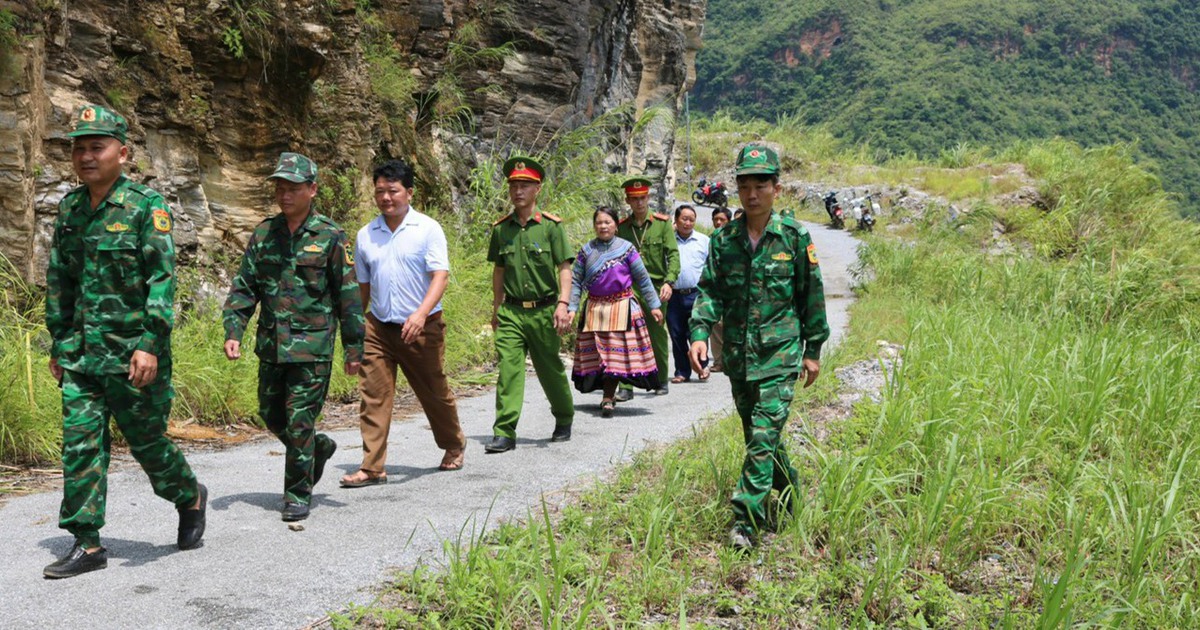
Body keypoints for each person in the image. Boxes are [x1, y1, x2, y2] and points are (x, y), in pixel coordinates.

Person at [43, 105, 206, 579]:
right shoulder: (71, 208)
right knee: (80, 445)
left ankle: (189, 494)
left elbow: (162, 279)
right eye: (79, 147)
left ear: (123, 153)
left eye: (97, 147)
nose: (86, 156)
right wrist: (59, 342)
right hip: (81, 354)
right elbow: (60, 280)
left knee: (147, 443)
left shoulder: (145, 207)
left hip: (134, 351)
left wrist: (151, 342)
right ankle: (87, 542)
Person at [688, 144, 830, 550]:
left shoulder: (794, 236)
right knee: (759, 437)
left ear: (776, 188)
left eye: (761, 185)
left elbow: (811, 296)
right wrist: (699, 333)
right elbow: (710, 292)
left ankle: (746, 523)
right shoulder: (724, 239)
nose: (752, 194)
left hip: (781, 354)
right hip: (738, 356)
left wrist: (813, 349)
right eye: (745, 186)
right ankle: (791, 498)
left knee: (764, 436)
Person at [222, 152, 364, 522]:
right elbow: (244, 288)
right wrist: (233, 329)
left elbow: (347, 297)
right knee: (271, 414)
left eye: (293, 188)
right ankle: (318, 447)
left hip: (312, 346)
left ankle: (297, 493)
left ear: (312, 190)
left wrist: (354, 348)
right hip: (272, 345)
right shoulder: (264, 234)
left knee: (298, 419)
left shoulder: (331, 237)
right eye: (279, 188)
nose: (284, 195)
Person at [338, 160, 467, 487]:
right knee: (373, 396)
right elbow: (362, 287)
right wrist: (355, 328)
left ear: (409, 192)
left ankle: (453, 443)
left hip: (422, 328)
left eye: (392, 191)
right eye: (379, 191)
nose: (385, 197)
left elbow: (440, 275)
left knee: (434, 391)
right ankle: (372, 466)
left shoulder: (427, 228)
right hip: (378, 328)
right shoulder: (366, 235)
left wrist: (421, 314)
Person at [485, 156, 575, 452]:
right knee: (509, 370)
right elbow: (499, 270)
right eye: (513, 185)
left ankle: (564, 416)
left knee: (550, 368)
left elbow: (564, 266)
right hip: (511, 311)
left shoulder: (551, 227)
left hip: (544, 310)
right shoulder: (501, 229)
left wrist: (563, 304)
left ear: (537, 189)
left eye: (524, 185)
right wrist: (497, 308)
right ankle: (504, 431)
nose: (518, 191)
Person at [567, 207, 664, 416]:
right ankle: (607, 394)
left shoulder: (627, 249)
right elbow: (575, 282)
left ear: (615, 225)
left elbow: (643, 279)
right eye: (599, 223)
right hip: (595, 309)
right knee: (600, 356)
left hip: (622, 307)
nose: (603, 226)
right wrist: (572, 308)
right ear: (594, 226)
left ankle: (608, 398)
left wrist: (654, 306)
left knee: (613, 356)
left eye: (607, 222)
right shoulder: (586, 251)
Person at [614, 176, 679, 400]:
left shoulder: (661, 224)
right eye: (634, 199)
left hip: (656, 286)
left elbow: (672, 255)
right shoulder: (622, 228)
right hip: (629, 289)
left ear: (648, 198)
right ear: (628, 201)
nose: (639, 203)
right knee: (626, 334)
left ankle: (661, 379)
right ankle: (626, 385)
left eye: (642, 198)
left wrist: (669, 282)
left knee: (657, 334)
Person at [667, 204, 709, 383]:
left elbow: (711, 265)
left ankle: (702, 366)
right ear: (676, 220)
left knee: (697, 332)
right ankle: (682, 371)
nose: (688, 223)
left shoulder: (703, 240)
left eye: (691, 219)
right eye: (684, 219)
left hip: (696, 294)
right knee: (676, 334)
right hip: (674, 295)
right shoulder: (668, 241)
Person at [708, 207, 732, 372]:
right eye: (715, 219)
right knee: (715, 326)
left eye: (722, 219)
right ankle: (718, 361)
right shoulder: (711, 239)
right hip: (717, 290)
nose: (718, 222)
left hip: (733, 291)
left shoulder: (736, 239)